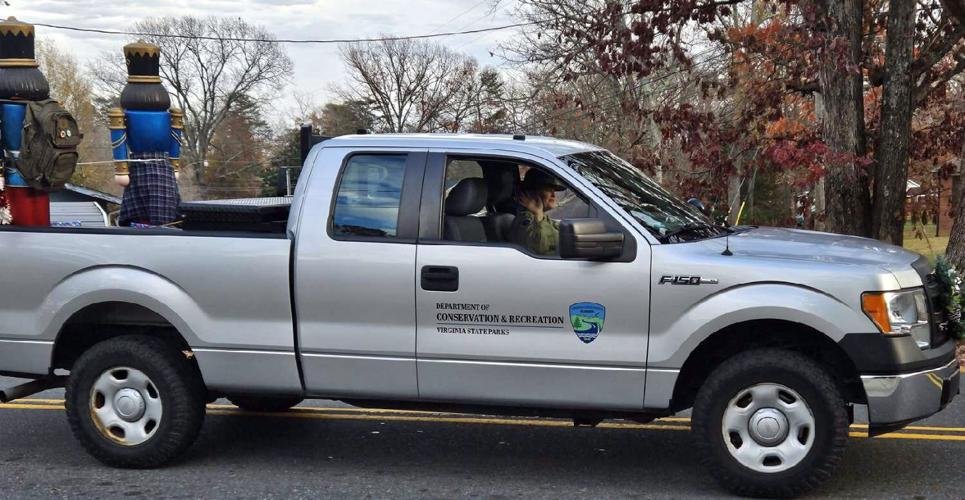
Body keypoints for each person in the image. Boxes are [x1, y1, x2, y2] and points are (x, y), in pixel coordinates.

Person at [509, 169, 567, 255]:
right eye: (547, 189)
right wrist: (538, 213)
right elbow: (539, 249)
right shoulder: (526, 219)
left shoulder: (543, 218)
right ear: (531, 193)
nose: (553, 195)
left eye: (554, 190)